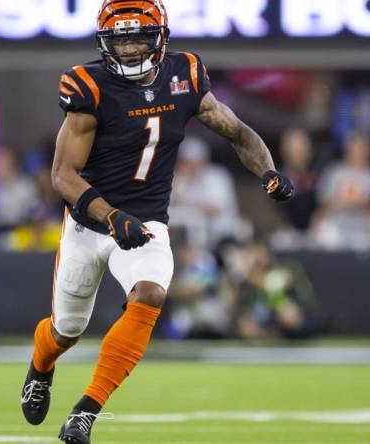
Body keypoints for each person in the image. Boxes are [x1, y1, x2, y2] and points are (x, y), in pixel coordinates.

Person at [19, 1, 293, 443]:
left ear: (160, 38)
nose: (128, 48)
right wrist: (111, 216)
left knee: (149, 294)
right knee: (66, 330)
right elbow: (62, 176)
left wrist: (269, 170)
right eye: (120, 38)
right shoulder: (88, 86)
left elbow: (238, 132)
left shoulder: (184, 75)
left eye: (137, 37)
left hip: (147, 222)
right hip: (90, 224)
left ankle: (86, 412)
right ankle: (41, 365)